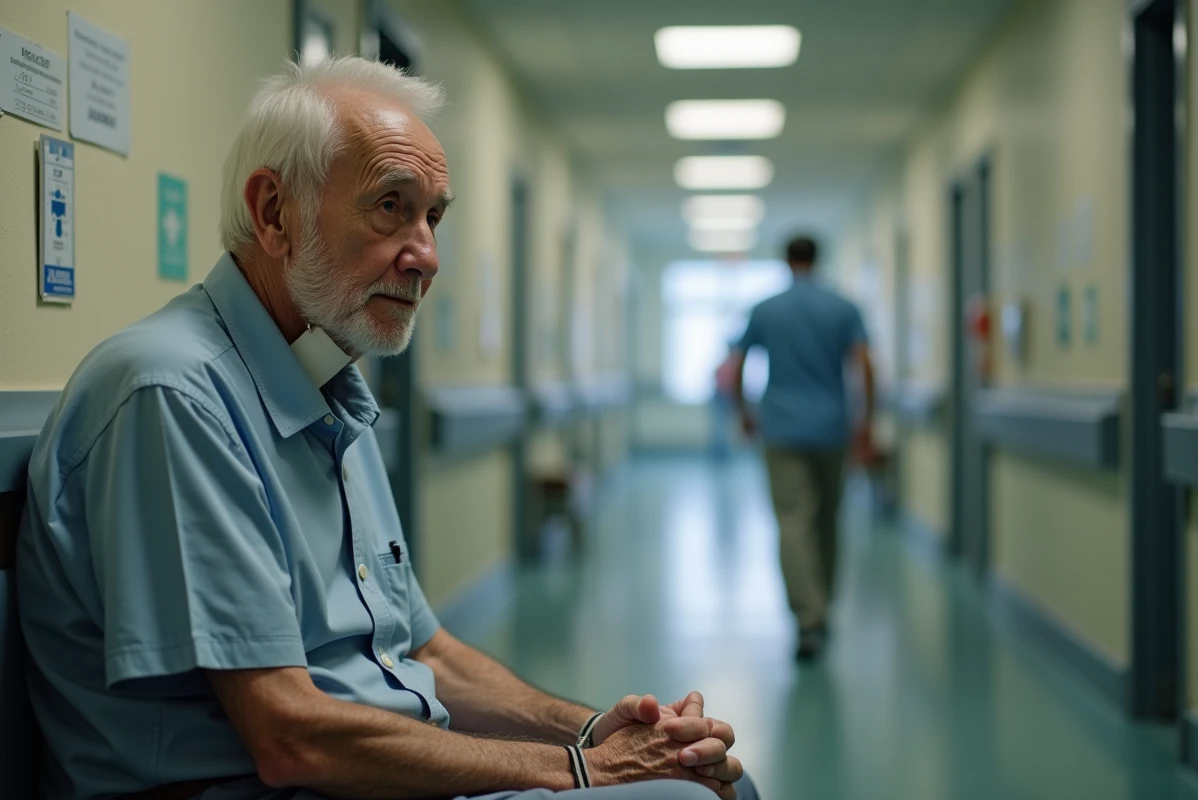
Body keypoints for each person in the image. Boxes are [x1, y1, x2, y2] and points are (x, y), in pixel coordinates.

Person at [16, 57, 757, 800]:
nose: (427, 256)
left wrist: (594, 732)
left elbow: (428, 653)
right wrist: (581, 773)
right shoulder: (172, 394)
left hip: (365, 777)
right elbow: (290, 736)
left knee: (714, 783)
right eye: (390, 207)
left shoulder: (330, 385)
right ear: (275, 212)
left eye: (434, 216)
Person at [730, 236, 875, 662]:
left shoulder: (767, 308)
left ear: (787, 260)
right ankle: (823, 606)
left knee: (794, 521)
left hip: (782, 429)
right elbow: (865, 364)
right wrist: (866, 421)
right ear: (818, 258)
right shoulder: (843, 307)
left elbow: (737, 365)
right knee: (828, 519)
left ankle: (807, 619)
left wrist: (744, 411)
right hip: (832, 428)